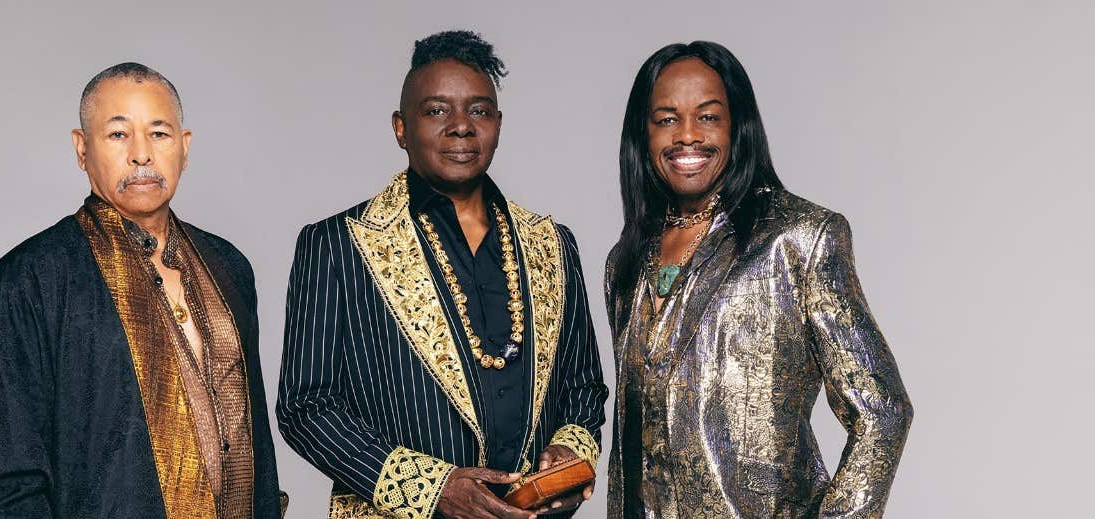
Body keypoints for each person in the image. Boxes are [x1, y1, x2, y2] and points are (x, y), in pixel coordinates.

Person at [0, 62, 284, 518]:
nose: (142, 154)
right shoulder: (28, 282)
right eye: (118, 134)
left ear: (185, 148)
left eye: (159, 133)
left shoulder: (228, 267)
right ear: (81, 148)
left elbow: (256, 449)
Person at [277, 30, 607, 518]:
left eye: (479, 110)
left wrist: (570, 451)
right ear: (400, 128)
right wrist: (434, 489)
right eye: (436, 111)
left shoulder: (553, 243)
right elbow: (306, 407)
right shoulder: (338, 245)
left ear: (498, 123)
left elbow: (583, 388)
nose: (460, 127)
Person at [604, 41, 913, 518]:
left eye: (707, 117)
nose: (687, 136)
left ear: (738, 126)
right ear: (642, 136)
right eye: (666, 119)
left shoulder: (799, 239)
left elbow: (883, 411)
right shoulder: (625, 264)